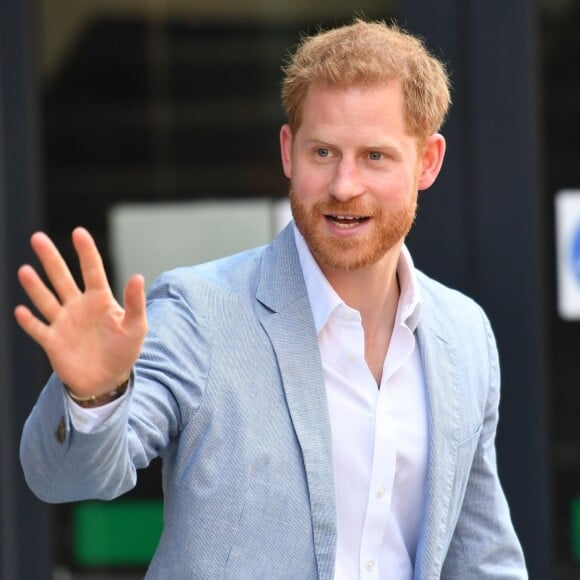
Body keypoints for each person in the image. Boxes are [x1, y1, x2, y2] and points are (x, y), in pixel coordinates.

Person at [16, 19, 527, 579]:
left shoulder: (464, 332)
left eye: (375, 157)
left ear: (427, 161)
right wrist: (94, 397)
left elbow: (480, 554)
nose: (344, 184)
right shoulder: (199, 312)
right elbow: (68, 477)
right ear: (289, 152)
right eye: (324, 152)